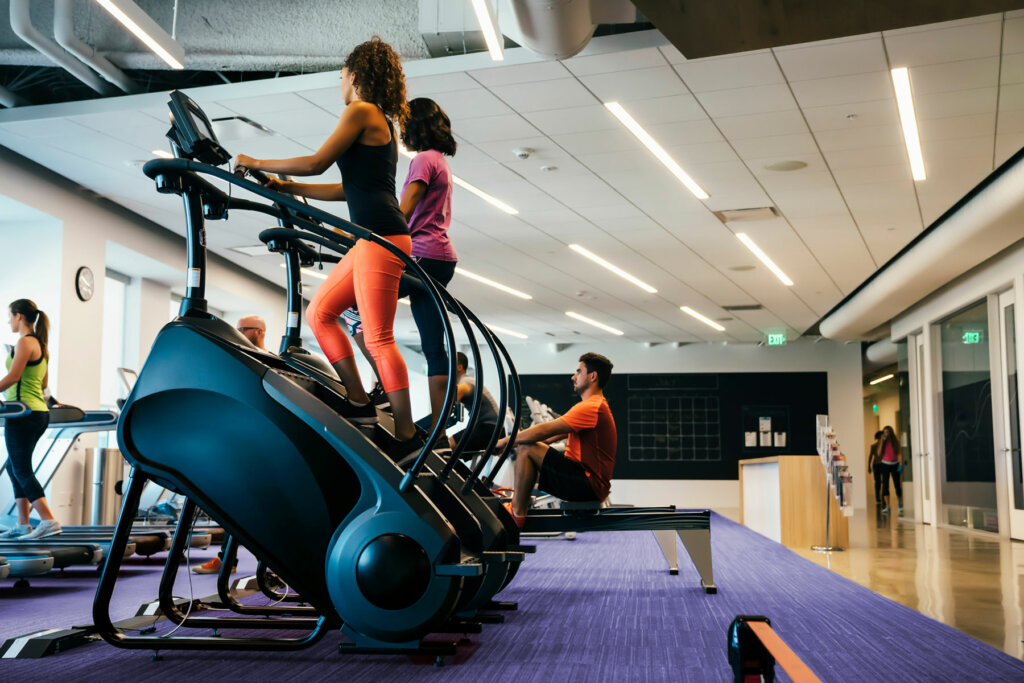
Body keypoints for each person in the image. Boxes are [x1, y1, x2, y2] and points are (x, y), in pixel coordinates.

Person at [236, 37, 422, 456]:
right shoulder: (380, 122)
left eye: (341, 76)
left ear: (354, 76)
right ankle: (359, 401)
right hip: (372, 237)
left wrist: (258, 161)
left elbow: (318, 161)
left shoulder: (361, 110)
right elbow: (349, 188)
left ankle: (408, 435)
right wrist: (289, 187)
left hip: (382, 237)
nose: (340, 84)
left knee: (377, 336)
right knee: (321, 314)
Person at [345, 97, 459, 434]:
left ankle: (383, 387)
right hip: (441, 259)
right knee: (433, 347)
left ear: (415, 124)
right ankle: (439, 429)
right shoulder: (440, 160)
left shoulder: (424, 159)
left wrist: (373, 238)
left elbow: (402, 212)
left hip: (421, 256)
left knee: (353, 310)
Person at [494, 353, 616, 528]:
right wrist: (514, 446)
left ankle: (516, 514)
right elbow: (550, 438)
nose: (573, 377)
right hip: (587, 483)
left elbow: (544, 430)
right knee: (527, 447)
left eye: (578, 371)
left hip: (587, 484)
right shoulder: (595, 405)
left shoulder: (592, 407)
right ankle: (519, 508)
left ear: (593, 376)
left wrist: (506, 441)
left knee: (527, 449)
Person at [193, 315, 266, 574]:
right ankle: (227, 560)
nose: (237, 333)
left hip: (262, 449)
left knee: (257, 510)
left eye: (242, 329)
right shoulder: (237, 361)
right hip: (239, 447)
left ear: (258, 332)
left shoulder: (266, 364)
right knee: (233, 508)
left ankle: (266, 563)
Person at [0, 299, 60, 540]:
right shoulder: (41, 344)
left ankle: (48, 520)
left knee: (21, 469)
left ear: (19, 317)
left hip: (22, 413)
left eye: (9, 316)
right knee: (16, 468)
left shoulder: (25, 342)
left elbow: (13, 377)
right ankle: (23, 524)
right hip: (36, 413)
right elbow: (43, 384)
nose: (8, 321)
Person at [448, 351, 502, 452]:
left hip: (490, 429)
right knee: (450, 445)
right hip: (490, 428)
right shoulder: (468, 381)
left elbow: (446, 407)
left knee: (449, 444)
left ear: (459, 367)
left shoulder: (465, 383)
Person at [878, 425, 903, 514]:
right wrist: (882, 440)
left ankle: (900, 503)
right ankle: (887, 506)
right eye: (884, 432)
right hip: (885, 464)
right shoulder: (883, 442)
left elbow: (899, 453)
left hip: (895, 464)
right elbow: (878, 452)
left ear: (890, 432)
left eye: (887, 432)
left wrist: (900, 463)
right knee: (885, 485)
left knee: (897, 485)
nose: (886, 434)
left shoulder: (896, 442)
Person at [868, 430, 883, 504]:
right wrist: (869, 466)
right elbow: (870, 456)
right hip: (876, 465)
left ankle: (882, 495)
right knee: (878, 481)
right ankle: (877, 496)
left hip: (883, 464)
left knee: (883, 481)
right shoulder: (873, 446)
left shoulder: (884, 446)